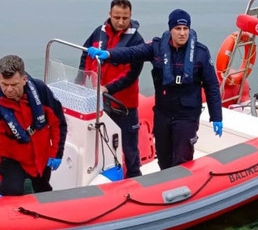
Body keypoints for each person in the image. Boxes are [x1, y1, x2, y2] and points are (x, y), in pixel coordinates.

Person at [87, 9, 222, 170]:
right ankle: (165, 187)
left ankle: (182, 189)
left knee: (182, 159)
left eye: (185, 29)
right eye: (178, 29)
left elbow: (212, 86)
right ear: (170, 29)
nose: (182, 33)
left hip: (186, 115)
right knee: (163, 158)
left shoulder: (201, 53)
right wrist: (109, 54)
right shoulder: (157, 47)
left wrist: (216, 116)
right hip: (163, 113)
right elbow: (132, 52)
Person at [0, 55, 67, 202]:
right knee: (12, 191)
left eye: (14, 84)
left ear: (24, 79)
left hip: (41, 154)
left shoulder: (40, 91)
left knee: (43, 190)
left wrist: (57, 153)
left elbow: (58, 122)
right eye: (4, 84)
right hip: (12, 157)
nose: (9, 90)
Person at [77, 0, 145, 178]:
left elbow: (131, 74)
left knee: (129, 145)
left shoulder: (136, 40)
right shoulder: (98, 33)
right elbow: (85, 54)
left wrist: (108, 88)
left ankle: (134, 175)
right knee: (99, 139)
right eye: (117, 17)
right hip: (98, 100)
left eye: (125, 17)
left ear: (131, 16)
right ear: (109, 15)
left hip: (124, 103)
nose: (121, 22)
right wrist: (81, 80)